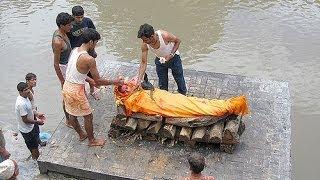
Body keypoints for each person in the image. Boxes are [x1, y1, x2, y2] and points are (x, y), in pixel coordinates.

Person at [62, 28, 123, 147]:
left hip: (67, 86)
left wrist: (90, 80)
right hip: (76, 91)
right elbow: (99, 81)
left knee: (72, 114)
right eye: (95, 43)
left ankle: (81, 134)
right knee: (88, 115)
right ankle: (92, 140)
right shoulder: (89, 59)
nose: (95, 45)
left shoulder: (75, 50)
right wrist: (115, 81)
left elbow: (76, 71)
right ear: (91, 42)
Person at [137, 23, 187, 95]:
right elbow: (143, 62)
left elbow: (178, 41)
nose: (143, 42)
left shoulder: (164, 36)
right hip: (160, 60)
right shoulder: (145, 44)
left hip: (174, 58)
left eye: (145, 40)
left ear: (151, 37)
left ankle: (183, 94)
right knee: (162, 83)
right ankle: (164, 96)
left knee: (179, 78)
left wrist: (171, 55)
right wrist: (139, 79)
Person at [68, 5, 100, 100]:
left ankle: (92, 90)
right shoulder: (70, 26)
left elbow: (93, 36)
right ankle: (83, 93)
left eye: (82, 16)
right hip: (77, 52)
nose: (80, 19)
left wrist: (93, 50)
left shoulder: (87, 21)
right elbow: (68, 41)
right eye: (78, 17)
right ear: (73, 16)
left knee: (90, 72)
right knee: (80, 73)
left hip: (88, 50)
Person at [52, 12, 74, 128]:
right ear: (61, 25)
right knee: (66, 95)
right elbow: (56, 64)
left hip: (68, 64)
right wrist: (62, 80)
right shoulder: (57, 41)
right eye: (69, 25)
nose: (71, 27)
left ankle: (72, 113)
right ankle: (68, 120)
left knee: (71, 92)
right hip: (63, 67)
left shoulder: (65, 33)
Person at [15, 82, 45, 159]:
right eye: (25, 90)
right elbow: (25, 120)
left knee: (37, 136)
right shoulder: (21, 103)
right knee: (34, 148)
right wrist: (37, 122)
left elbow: (31, 107)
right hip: (26, 130)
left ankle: (37, 148)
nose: (28, 91)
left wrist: (37, 114)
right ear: (20, 92)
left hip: (32, 125)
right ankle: (36, 160)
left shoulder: (26, 96)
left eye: (28, 88)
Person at [25, 73, 46, 147]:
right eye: (33, 80)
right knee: (34, 129)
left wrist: (36, 113)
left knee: (36, 129)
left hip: (33, 112)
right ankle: (36, 145)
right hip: (29, 114)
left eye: (35, 79)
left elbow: (32, 104)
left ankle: (38, 142)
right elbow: (28, 106)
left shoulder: (31, 90)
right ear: (27, 81)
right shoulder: (27, 92)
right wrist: (35, 114)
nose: (35, 81)